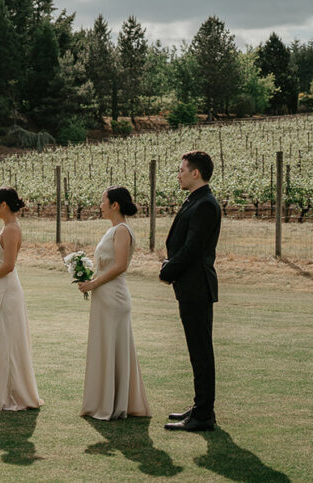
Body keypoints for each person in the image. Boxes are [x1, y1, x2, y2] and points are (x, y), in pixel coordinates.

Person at [160, 151, 221, 432]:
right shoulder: (196, 200)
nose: (179, 173)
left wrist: (168, 270)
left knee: (201, 351)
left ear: (195, 173)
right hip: (189, 286)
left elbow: (193, 249)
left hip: (196, 285)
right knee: (196, 349)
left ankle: (204, 415)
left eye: (182, 169)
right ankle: (199, 407)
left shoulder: (206, 204)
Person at [78, 186, 151, 420]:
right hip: (104, 296)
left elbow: (120, 266)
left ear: (115, 205)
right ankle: (104, 399)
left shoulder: (122, 230)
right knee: (104, 345)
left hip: (113, 297)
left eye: (103, 202)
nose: (100, 206)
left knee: (113, 346)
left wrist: (93, 284)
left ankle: (115, 402)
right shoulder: (112, 231)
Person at [0, 187, 42, 411]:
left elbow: (9, 265)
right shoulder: (6, 228)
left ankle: (13, 393)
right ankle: (2, 390)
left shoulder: (12, 229)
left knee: (9, 340)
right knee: (2, 339)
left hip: (7, 291)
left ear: (4, 205)